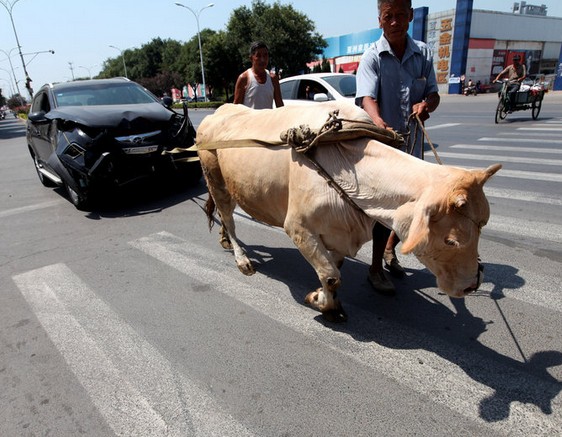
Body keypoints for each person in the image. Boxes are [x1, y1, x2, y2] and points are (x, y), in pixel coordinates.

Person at [355, 0, 440, 296]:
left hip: (414, 146)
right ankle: (375, 269)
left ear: (411, 17)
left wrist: (425, 104)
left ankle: (390, 251)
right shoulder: (372, 57)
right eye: (388, 16)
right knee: (386, 210)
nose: (394, 22)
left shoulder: (424, 54)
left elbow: (433, 93)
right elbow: (366, 97)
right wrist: (378, 121)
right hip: (385, 147)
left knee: (410, 205)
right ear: (380, 20)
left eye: (400, 15)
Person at [234, 41, 284, 109]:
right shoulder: (244, 78)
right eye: (258, 56)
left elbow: (280, 106)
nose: (262, 60)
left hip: (268, 119)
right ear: (251, 58)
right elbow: (236, 109)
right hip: (250, 119)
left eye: (265, 55)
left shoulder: (273, 79)